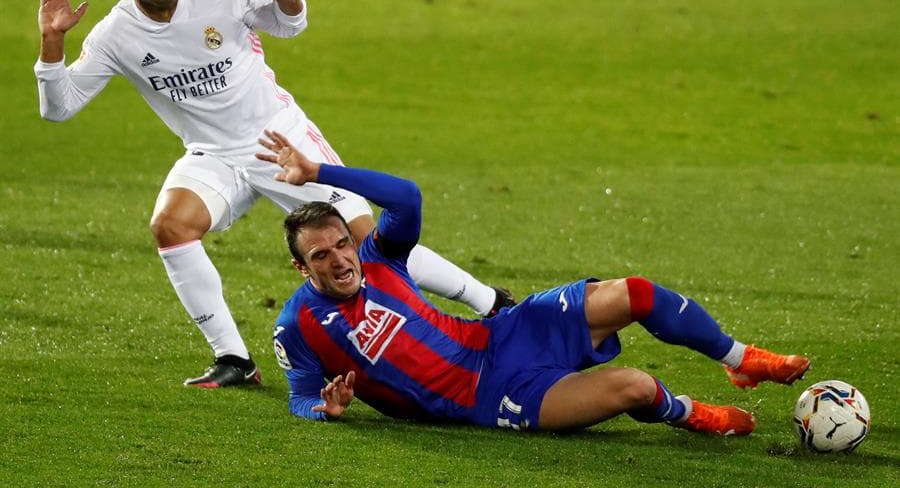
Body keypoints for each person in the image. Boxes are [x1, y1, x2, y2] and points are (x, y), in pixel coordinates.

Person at [34, 0, 513, 388]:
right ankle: (234, 360)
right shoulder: (115, 35)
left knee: (369, 245)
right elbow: (60, 108)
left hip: (280, 140)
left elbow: (288, 26)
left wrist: (288, 0)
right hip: (212, 153)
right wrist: (52, 42)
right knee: (171, 225)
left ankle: (489, 301)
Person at [259, 130, 811, 434]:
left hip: (505, 334)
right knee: (636, 387)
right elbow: (301, 397)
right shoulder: (298, 325)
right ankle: (688, 413)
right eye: (320, 256)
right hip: (492, 395)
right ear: (301, 268)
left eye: (340, 244)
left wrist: (318, 173)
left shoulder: (381, 259)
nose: (337, 260)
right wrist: (325, 411)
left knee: (637, 293)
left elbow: (406, 196)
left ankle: (739, 359)